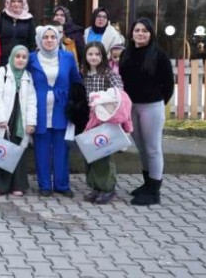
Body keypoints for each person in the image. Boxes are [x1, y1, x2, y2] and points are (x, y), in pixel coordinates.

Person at [119, 18, 174, 206]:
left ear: (151, 34)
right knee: (141, 148)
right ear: (131, 33)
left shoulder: (159, 55)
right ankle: (147, 183)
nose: (140, 33)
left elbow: (168, 85)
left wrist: (157, 104)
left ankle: (154, 191)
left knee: (152, 148)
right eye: (137, 30)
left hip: (151, 107)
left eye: (145, 30)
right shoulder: (126, 54)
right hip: (131, 107)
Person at [28, 25, 82, 198]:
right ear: (39, 40)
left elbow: (76, 81)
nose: (49, 40)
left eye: (53, 37)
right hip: (40, 109)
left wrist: (76, 104)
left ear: (58, 39)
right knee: (41, 149)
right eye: (45, 37)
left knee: (62, 148)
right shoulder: (31, 58)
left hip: (62, 109)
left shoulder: (67, 57)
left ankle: (62, 184)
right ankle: (44, 185)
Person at [80, 41, 129, 205]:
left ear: (102, 56)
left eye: (97, 54)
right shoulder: (84, 74)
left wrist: (101, 98)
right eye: (90, 54)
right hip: (88, 120)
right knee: (91, 154)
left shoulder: (109, 74)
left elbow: (119, 92)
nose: (93, 57)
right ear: (85, 56)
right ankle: (95, 186)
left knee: (103, 154)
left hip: (104, 119)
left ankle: (108, 188)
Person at [0, 45, 37, 197]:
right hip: (4, 119)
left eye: (24, 57)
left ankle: (18, 184)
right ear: (12, 57)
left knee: (18, 151)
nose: (20, 60)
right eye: (17, 56)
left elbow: (32, 101)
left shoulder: (28, 76)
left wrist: (31, 122)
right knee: (2, 150)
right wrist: (1, 118)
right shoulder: (2, 72)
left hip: (20, 119)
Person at [0, 0, 35, 66]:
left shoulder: (29, 19)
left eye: (19, 1)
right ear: (9, 2)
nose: (16, 4)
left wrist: (29, 59)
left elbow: (33, 43)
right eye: (13, 1)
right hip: (4, 59)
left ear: (23, 3)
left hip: (22, 59)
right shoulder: (2, 17)